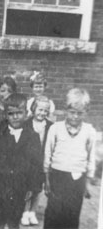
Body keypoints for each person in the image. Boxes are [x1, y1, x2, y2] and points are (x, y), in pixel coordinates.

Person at [0, 93, 42, 229]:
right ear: (6, 114)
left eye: (19, 113)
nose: (15, 117)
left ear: (27, 113)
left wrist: (32, 187)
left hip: (20, 187)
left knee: (14, 221)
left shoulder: (32, 136)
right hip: (0, 187)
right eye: (11, 113)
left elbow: (36, 164)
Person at [43, 88, 96, 229]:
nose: (75, 117)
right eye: (72, 112)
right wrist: (47, 179)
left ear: (86, 112)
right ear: (65, 110)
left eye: (80, 113)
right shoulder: (55, 128)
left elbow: (91, 158)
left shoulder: (89, 131)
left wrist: (88, 182)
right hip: (57, 176)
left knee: (72, 215)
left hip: (77, 179)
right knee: (53, 213)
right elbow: (48, 154)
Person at [20, 96, 53, 226]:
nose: (42, 113)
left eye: (45, 111)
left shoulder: (50, 126)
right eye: (40, 110)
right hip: (27, 161)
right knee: (26, 188)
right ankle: (24, 212)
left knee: (37, 188)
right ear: (33, 109)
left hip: (41, 161)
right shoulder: (26, 124)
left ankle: (32, 212)